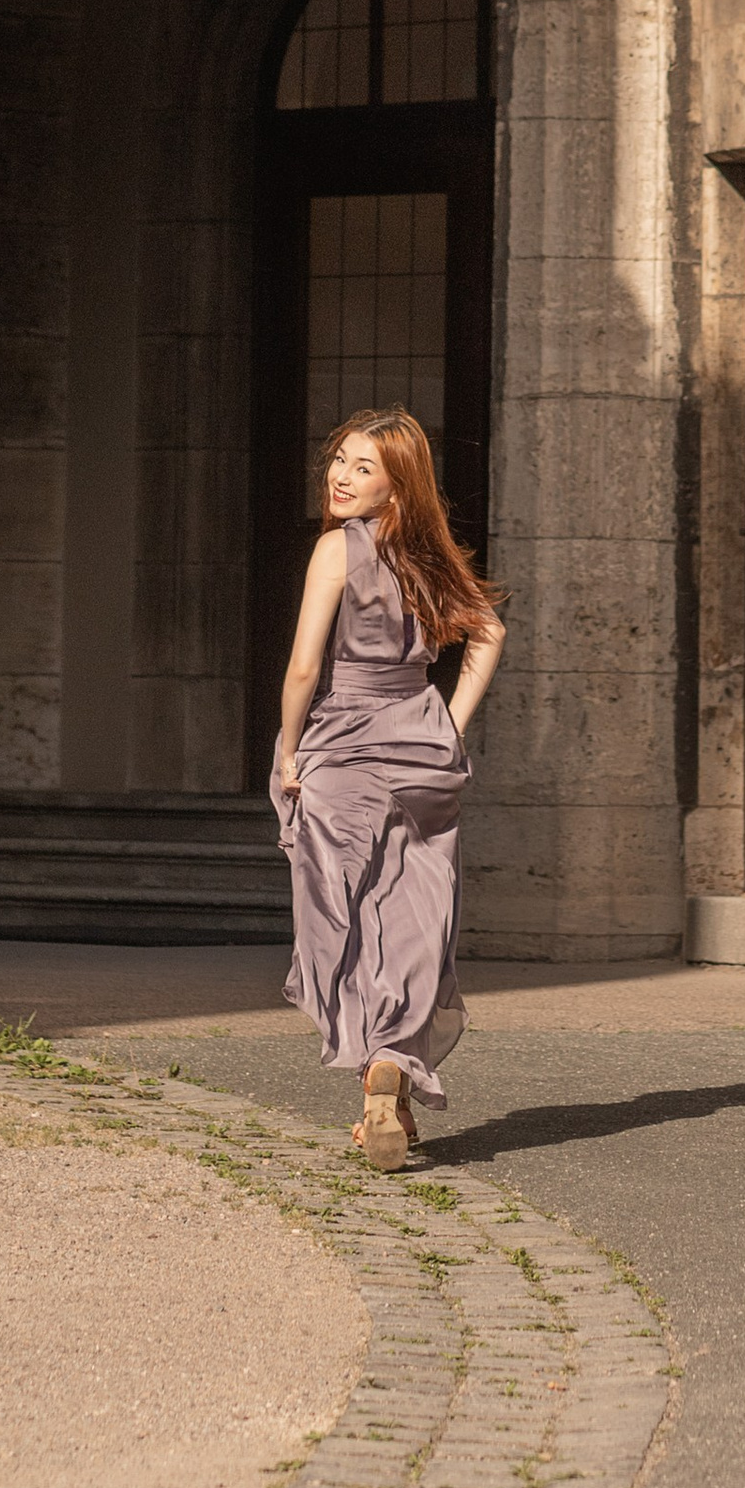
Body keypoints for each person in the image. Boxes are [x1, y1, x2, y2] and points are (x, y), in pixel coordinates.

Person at [273, 406, 506, 1166]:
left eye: (363, 466)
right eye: (339, 458)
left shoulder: (336, 551)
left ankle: (374, 1060)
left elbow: (306, 666)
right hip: (418, 742)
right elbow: (489, 633)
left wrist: (288, 750)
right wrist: (450, 725)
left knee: (346, 918)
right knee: (412, 915)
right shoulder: (430, 553)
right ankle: (393, 1081)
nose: (340, 476)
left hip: (341, 741)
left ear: (397, 482)